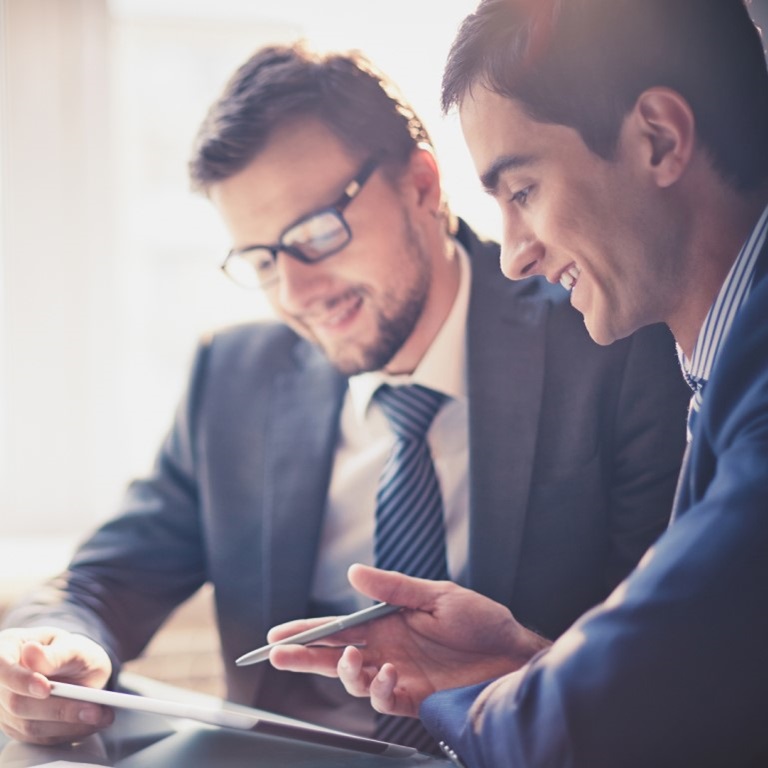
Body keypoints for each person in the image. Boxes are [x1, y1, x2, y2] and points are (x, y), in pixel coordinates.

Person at [0, 43, 690, 751]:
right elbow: (101, 580)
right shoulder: (234, 375)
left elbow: (667, 664)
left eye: (316, 235)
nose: (296, 294)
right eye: (263, 260)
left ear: (423, 186)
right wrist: (45, 649)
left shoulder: (607, 340)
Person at [265, 1, 768, 765]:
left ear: (659, 140)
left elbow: (581, 724)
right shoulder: (720, 366)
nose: (514, 256)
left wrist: (479, 699)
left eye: (523, 191)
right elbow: (703, 687)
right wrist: (526, 665)